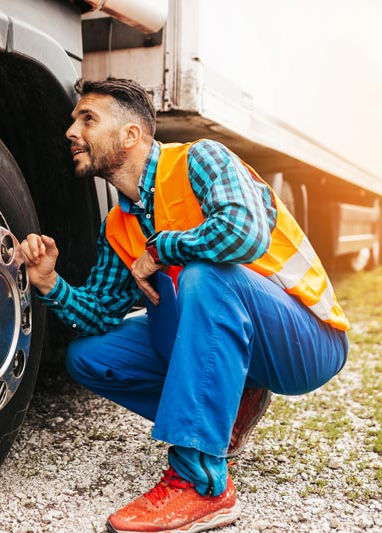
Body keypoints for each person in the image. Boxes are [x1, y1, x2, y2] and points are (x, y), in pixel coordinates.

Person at [19, 78, 349, 533]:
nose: (71, 132)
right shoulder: (118, 223)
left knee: (205, 274)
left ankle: (202, 484)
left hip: (308, 338)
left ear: (131, 135)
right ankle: (227, 409)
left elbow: (245, 232)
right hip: (241, 342)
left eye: (87, 119)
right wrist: (50, 282)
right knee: (90, 358)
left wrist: (160, 249)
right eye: (74, 121)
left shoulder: (200, 159)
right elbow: (98, 315)